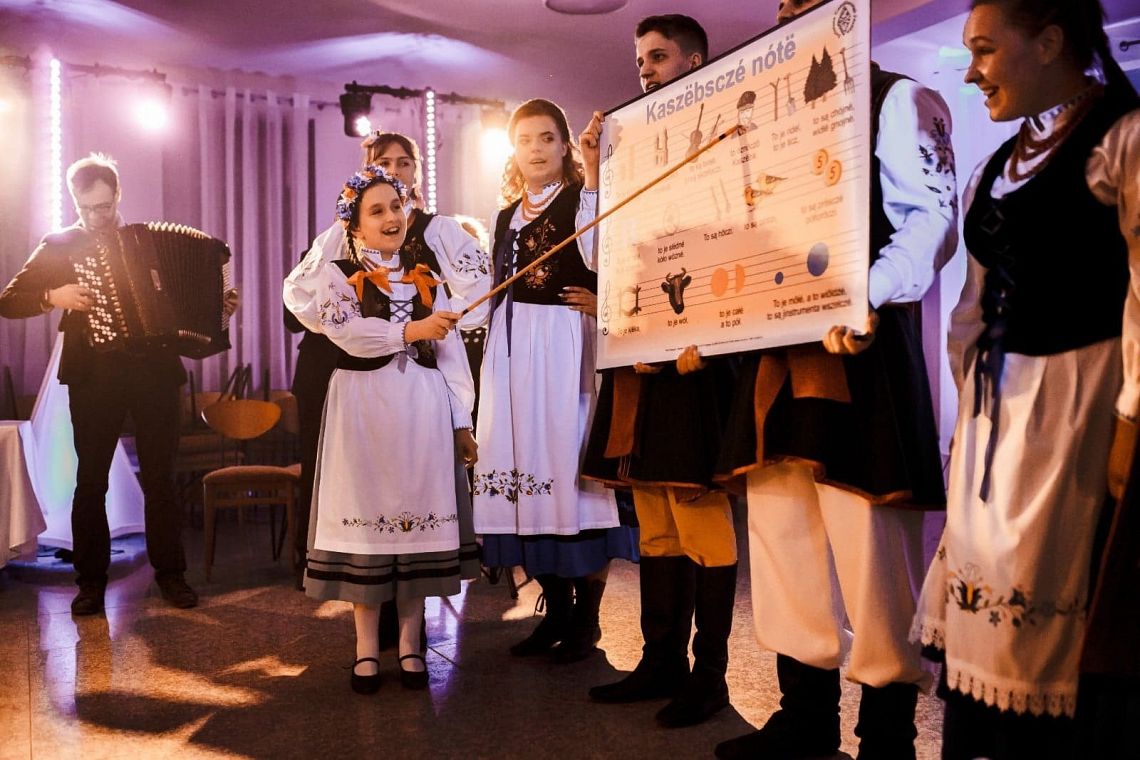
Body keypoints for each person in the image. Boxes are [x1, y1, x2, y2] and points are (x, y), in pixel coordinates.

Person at [713, 0, 959, 756]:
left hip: (859, 355)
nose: (794, 16)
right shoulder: (761, 124)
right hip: (773, 360)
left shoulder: (898, 98)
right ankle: (806, 718)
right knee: (783, 537)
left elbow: (931, 221)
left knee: (870, 548)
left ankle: (886, 737)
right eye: (784, 7)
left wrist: (863, 295)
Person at [909, 1, 1140, 757]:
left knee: (1056, 597)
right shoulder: (996, 167)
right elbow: (972, 305)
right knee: (989, 592)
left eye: (984, 50)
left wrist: (1131, 418)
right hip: (996, 415)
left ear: (1049, 42)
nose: (971, 72)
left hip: (1079, 404)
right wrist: (967, 420)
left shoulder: (1123, 141)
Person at [582, 14, 740, 730]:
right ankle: (660, 661)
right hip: (636, 354)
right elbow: (599, 256)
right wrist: (593, 171)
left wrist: (694, 333)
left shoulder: (723, 135)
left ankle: (710, 678)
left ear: (695, 61)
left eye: (658, 56)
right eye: (639, 59)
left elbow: (732, 239)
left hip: (694, 355)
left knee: (697, 513)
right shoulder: (630, 146)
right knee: (653, 519)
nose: (644, 69)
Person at [283, 165, 478, 693]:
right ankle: (366, 648)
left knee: (415, 527)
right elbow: (348, 334)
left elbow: (451, 355)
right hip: (364, 412)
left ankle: (412, 645)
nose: (391, 217)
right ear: (354, 226)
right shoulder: (337, 275)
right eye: (376, 210)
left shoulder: (426, 276)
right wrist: (411, 329)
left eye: (396, 206)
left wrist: (461, 421)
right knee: (369, 529)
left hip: (421, 412)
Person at [0, 153, 221, 615]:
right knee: (90, 481)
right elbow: (9, 300)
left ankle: (171, 575)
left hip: (155, 372)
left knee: (161, 479)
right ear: (74, 201)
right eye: (86, 208)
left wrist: (216, 310)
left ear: (118, 195)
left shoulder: (148, 240)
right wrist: (52, 295)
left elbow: (185, 308)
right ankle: (90, 582)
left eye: (103, 206)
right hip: (94, 376)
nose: (96, 217)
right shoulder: (60, 244)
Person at [472, 98, 638, 666]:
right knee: (525, 474)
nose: (536, 150)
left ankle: (586, 618)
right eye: (525, 140)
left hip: (565, 348)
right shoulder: (504, 216)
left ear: (564, 145)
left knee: (569, 473)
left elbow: (602, 254)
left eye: (546, 138)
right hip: (512, 353)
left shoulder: (582, 197)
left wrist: (592, 174)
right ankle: (556, 610)